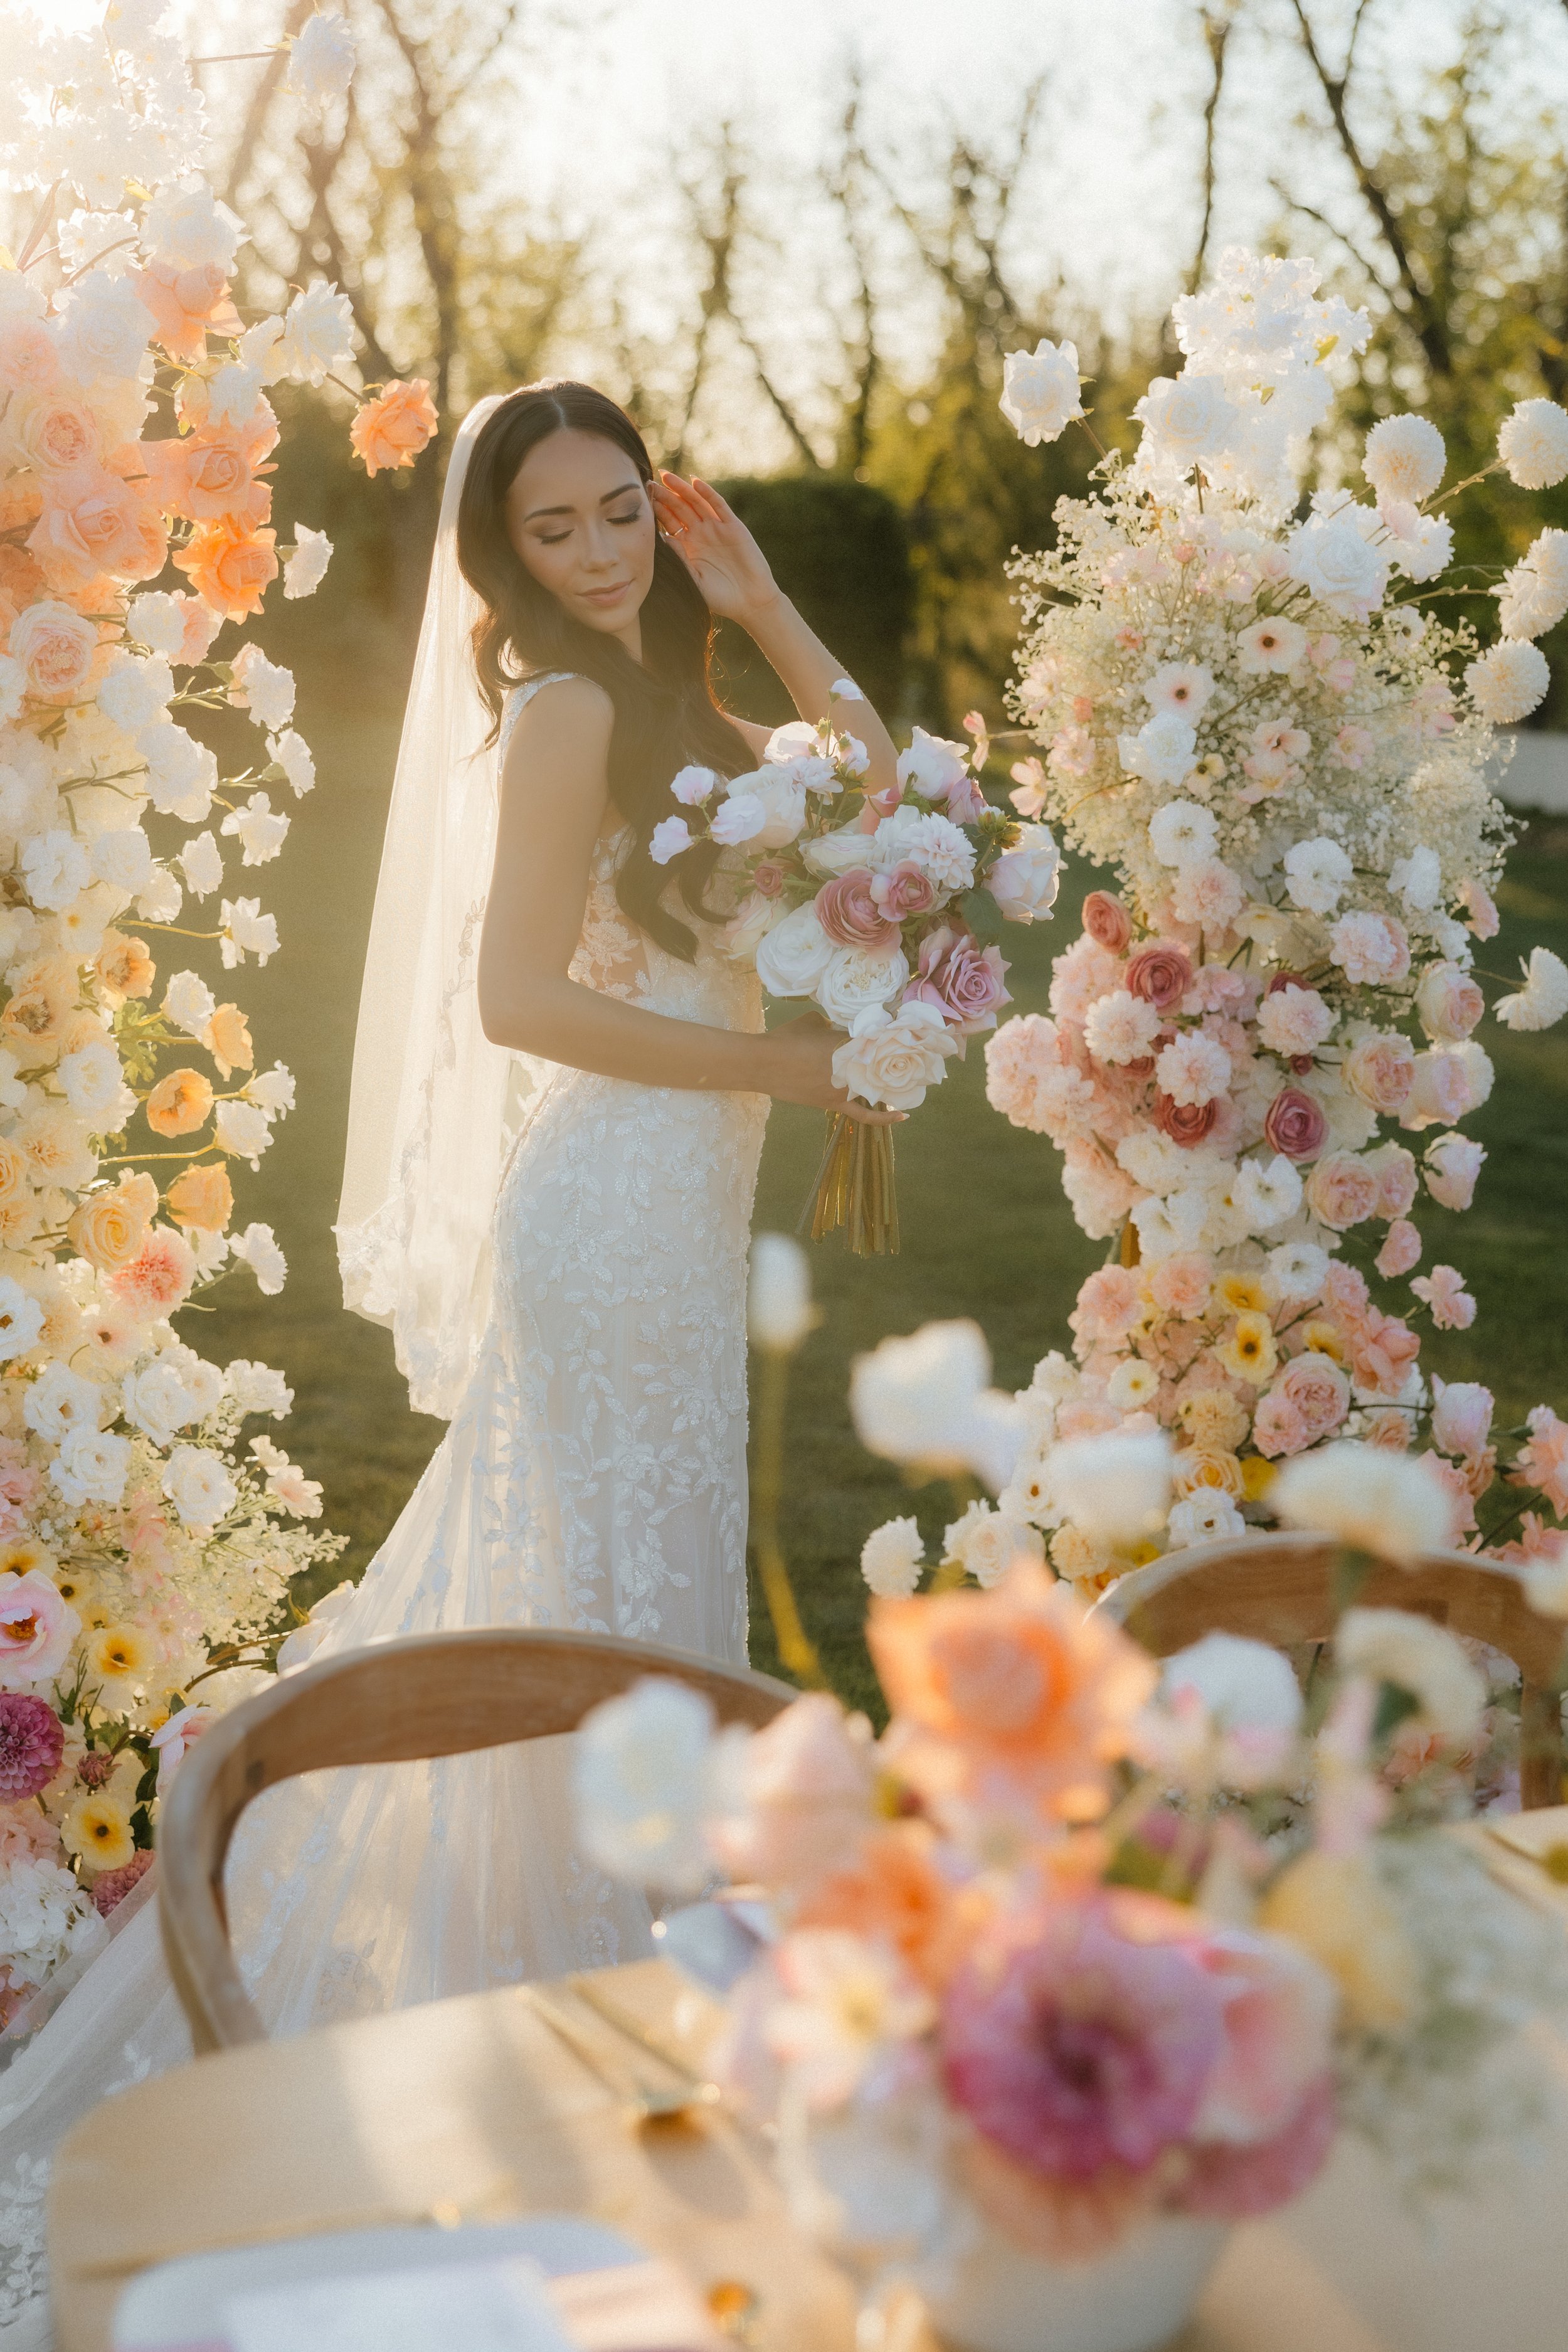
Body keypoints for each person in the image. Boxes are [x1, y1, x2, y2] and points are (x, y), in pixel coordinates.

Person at [0, 386, 900, 2338]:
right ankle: (575, 2053)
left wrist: (751, 598)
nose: (594, 554)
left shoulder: (674, 694)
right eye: (554, 531)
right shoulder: (568, 714)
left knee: (630, 1612)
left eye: (617, 515)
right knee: (600, 1617)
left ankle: (609, 2027)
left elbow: (885, 794)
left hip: (673, 1224)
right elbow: (512, 998)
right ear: (502, 558)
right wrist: (781, 1064)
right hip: (605, 1225)